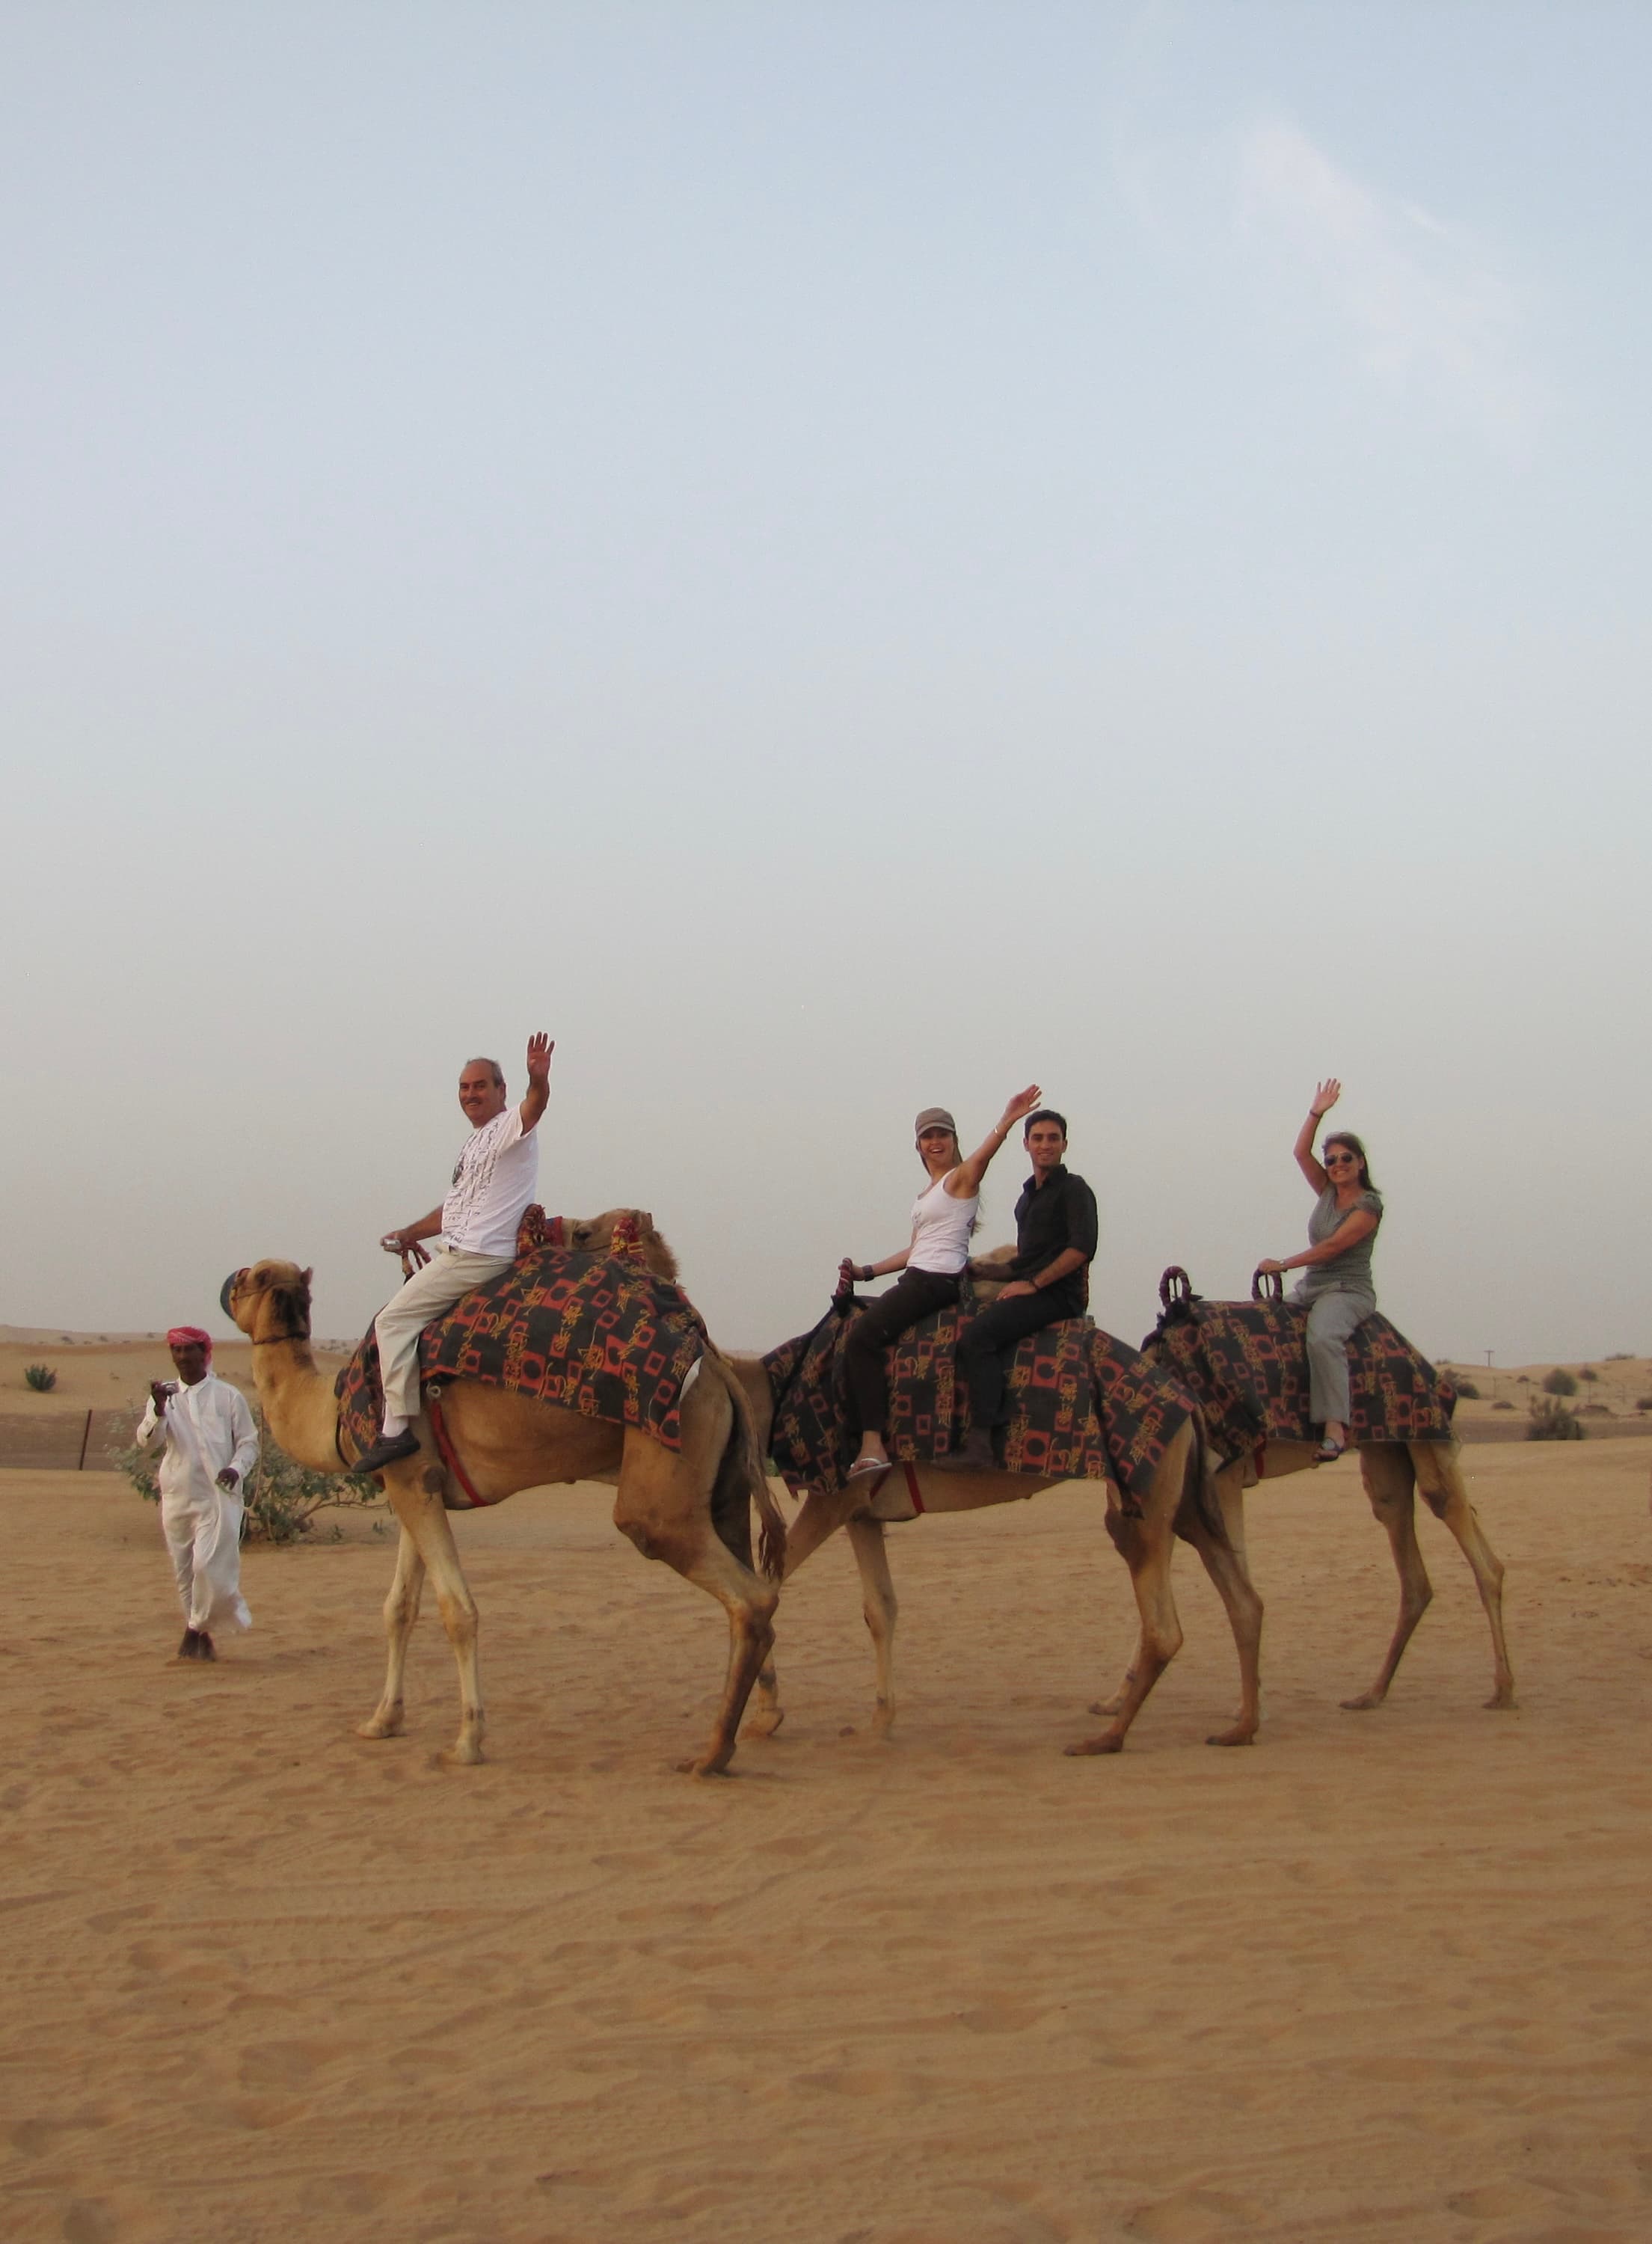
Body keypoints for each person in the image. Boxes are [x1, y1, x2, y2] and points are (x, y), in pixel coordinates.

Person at [355, 1033, 553, 1474]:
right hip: (460, 1249)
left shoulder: (508, 1129)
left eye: (480, 1086)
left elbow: (534, 1106)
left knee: (392, 1321)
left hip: (478, 1255)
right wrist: (410, 1232)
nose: (471, 1095)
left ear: (501, 1091)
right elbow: (455, 1207)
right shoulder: (475, 1144)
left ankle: (395, 1428)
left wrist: (538, 1080)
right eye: (464, 1088)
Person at [838, 1087, 1043, 1485]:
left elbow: (983, 1158)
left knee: (862, 1340)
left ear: (953, 1141)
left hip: (936, 1280)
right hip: (920, 1275)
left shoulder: (960, 1180)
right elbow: (915, 1249)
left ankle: (872, 1446)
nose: (935, 1142)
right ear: (918, 1145)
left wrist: (1007, 1119)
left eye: (942, 1135)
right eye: (927, 1137)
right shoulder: (927, 1195)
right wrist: (865, 1272)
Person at [938, 1109, 1099, 1472]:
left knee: (977, 1338)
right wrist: (984, 1268)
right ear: (1026, 1144)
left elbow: (1081, 1249)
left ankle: (982, 1443)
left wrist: (1033, 1285)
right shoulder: (1026, 1201)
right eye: (1038, 1139)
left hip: (1059, 1296)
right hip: (1035, 1287)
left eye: (1053, 1139)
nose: (1045, 1145)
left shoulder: (1075, 1190)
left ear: (1064, 1145)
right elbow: (1026, 1261)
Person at [1256, 1078, 1383, 1462]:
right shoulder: (1327, 1192)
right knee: (1265, 1325)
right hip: (1312, 1287)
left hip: (1347, 1290)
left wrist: (1282, 1265)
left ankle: (1334, 1427)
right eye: (1331, 1160)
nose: (1338, 1165)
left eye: (1346, 1158)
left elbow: (1332, 1248)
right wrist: (1315, 1112)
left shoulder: (1369, 1205)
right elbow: (1300, 1152)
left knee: (1322, 1338)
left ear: (1360, 1162)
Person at [135, 1325, 259, 1661]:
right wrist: (159, 1411)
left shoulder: (228, 1396)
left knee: (208, 1567)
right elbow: (148, 1443)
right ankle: (200, 1634)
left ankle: (193, 1629)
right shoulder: (164, 1396)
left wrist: (236, 1468)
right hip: (177, 1494)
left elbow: (249, 1442)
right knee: (184, 1570)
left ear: (205, 1354)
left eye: (189, 1351)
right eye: (177, 1351)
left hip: (217, 1497)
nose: (183, 1358)